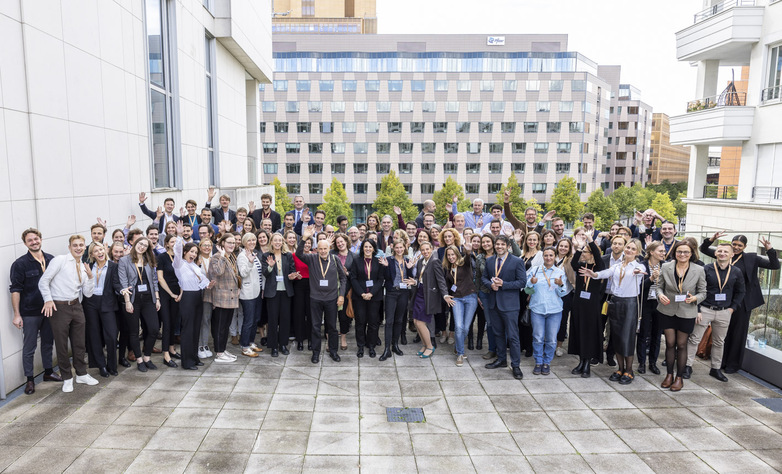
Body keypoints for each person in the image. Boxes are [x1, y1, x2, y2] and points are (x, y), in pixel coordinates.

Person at [700, 232, 779, 373]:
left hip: (742, 302)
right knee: (722, 333)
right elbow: (703, 249)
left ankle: (732, 364)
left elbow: (774, 266)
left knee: (738, 333)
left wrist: (769, 250)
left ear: (745, 246)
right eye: (734, 244)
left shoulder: (751, 258)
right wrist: (712, 239)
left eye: (739, 246)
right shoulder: (725, 254)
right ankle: (720, 362)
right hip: (723, 301)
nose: (736, 247)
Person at [581, 237, 646, 385]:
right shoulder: (617, 266)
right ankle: (620, 368)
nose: (629, 250)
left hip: (629, 304)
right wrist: (593, 274)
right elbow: (605, 273)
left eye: (633, 249)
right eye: (628, 248)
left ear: (637, 252)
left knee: (627, 338)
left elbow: (641, 271)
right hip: (615, 301)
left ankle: (629, 370)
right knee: (616, 337)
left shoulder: (639, 266)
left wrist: (638, 271)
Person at [38, 235, 99, 392]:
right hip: (59, 307)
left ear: (85, 247)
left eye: (81, 245)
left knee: (79, 343)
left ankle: (81, 374)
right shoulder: (60, 260)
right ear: (69, 247)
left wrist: (91, 277)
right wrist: (48, 300)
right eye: (75, 245)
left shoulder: (83, 267)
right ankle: (66, 377)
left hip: (76, 306)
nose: (78, 248)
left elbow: (88, 294)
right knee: (62, 345)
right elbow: (43, 281)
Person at [10, 228, 62, 394]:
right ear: (25, 243)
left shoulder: (51, 259)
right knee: (29, 347)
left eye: (36, 239)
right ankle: (30, 380)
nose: (34, 242)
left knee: (48, 342)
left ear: (41, 239)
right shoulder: (20, 264)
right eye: (30, 240)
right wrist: (17, 314)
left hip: (49, 310)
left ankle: (48, 372)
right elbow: (15, 290)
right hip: (30, 312)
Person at [685, 242, 746, 382]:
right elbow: (696, 290)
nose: (722, 253)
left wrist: (732, 308)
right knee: (694, 339)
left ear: (732, 254)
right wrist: (698, 309)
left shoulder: (736, 272)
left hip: (724, 311)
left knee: (719, 342)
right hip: (705, 309)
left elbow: (741, 291)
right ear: (715, 253)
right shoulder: (705, 269)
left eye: (725, 251)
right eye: (720, 251)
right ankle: (687, 366)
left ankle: (715, 368)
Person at [656, 240, 707, 391]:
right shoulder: (666, 266)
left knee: (682, 345)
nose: (682, 254)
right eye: (679, 251)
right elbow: (659, 287)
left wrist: (695, 298)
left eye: (686, 252)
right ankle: (669, 375)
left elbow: (703, 292)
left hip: (687, 311)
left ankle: (679, 377)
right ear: (675, 253)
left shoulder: (699, 269)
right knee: (670, 344)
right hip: (667, 309)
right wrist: (660, 295)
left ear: (691, 254)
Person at [297, 225, 347, 363]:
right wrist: (305, 237)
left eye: (325, 248)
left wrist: (341, 295)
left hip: (332, 299)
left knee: (332, 327)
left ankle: (334, 351)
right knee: (315, 327)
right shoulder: (312, 259)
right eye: (321, 249)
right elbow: (299, 253)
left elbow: (343, 278)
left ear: (329, 248)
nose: (323, 251)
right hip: (315, 299)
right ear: (317, 249)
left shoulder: (335, 259)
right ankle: (315, 353)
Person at [482, 235, 527, 380]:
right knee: (498, 333)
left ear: (508, 246)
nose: (499, 246)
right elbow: (483, 278)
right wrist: (490, 285)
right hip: (494, 303)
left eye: (502, 244)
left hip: (510, 306)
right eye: (497, 244)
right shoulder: (489, 261)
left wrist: (504, 284)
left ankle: (515, 365)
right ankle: (501, 360)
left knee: (513, 336)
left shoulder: (517, 261)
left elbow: (522, 282)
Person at [118, 236, 161, 372]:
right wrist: (127, 302)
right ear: (135, 243)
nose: (142, 247)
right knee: (134, 331)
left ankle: (147, 357)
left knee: (154, 329)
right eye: (140, 244)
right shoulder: (124, 260)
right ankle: (139, 359)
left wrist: (157, 299)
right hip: (133, 299)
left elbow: (154, 281)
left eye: (145, 246)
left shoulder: (149, 260)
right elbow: (123, 282)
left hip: (148, 299)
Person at [526, 247, 569, 375]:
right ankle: (538, 361)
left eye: (551, 255)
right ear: (543, 256)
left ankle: (547, 362)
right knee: (538, 337)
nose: (548, 258)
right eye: (546, 255)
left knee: (551, 339)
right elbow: (527, 291)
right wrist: (531, 283)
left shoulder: (559, 272)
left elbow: (562, 294)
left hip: (554, 310)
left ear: (554, 256)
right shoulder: (535, 270)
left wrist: (561, 285)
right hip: (537, 309)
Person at [568, 235, 605, 378]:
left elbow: (597, 255)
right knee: (579, 332)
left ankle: (587, 364)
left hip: (592, 306)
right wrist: (578, 248)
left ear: (591, 254)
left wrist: (590, 240)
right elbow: (573, 263)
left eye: (585, 252)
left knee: (589, 334)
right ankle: (581, 361)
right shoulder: (581, 266)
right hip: (579, 304)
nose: (583, 254)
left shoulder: (599, 267)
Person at [173, 233, 211, 370]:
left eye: (196, 252)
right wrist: (178, 236)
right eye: (192, 252)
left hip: (197, 297)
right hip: (187, 298)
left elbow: (202, 280)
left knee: (196, 328)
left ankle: (194, 358)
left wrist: (208, 284)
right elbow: (177, 251)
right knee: (188, 330)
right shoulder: (178, 264)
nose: (194, 254)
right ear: (185, 252)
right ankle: (187, 361)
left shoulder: (195, 266)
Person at [82, 243, 120, 377]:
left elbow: (116, 283)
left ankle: (111, 365)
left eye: (101, 249)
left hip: (107, 302)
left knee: (111, 335)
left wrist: (122, 290)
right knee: (94, 335)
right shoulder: (88, 267)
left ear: (105, 251)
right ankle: (101, 365)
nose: (99, 252)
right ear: (92, 255)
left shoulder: (113, 266)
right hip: (91, 303)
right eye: (96, 251)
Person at [412, 241, 453, 358]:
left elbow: (441, 280)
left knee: (421, 323)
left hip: (428, 296)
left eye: (427, 249)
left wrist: (445, 295)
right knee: (416, 321)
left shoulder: (435, 262)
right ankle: (424, 345)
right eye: (423, 250)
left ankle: (430, 346)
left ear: (431, 249)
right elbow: (421, 279)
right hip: (419, 293)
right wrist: (414, 282)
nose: (425, 252)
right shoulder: (420, 262)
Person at [443, 245, 478, 367]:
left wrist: (468, 250)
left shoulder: (465, 263)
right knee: (458, 326)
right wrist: (446, 295)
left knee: (466, 328)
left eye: (453, 254)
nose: (451, 257)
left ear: (457, 254)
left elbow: (468, 256)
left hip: (470, 297)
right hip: (456, 298)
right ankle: (460, 353)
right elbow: (448, 285)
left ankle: (458, 346)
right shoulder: (448, 268)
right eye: (449, 255)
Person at [208, 233, 241, 363]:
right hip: (221, 297)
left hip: (231, 297)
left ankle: (222, 349)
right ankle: (219, 353)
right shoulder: (217, 257)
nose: (232, 245)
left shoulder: (232, 256)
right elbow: (218, 272)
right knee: (220, 327)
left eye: (233, 243)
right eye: (229, 242)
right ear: (222, 244)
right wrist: (221, 255)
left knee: (226, 326)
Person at [261, 233, 295, 356]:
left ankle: (283, 344)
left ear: (283, 242)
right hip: (272, 293)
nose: (277, 242)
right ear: (271, 242)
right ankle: (273, 346)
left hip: (286, 292)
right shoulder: (266, 255)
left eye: (280, 240)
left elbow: (292, 271)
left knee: (285, 320)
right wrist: (270, 267)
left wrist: (292, 276)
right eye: (275, 240)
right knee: (273, 320)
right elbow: (265, 273)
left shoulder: (288, 256)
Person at [350, 239, 386, 358]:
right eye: (365, 247)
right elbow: (353, 278)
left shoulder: (378, 261)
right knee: (360, 322)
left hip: (374, 297)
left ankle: (371, 346)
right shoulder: (356, 261)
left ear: (374, 249)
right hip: (359, 297)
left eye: (370, 247)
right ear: (362, 248)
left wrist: (371, 293)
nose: (368, 249)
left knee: (373, 322)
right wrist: (361, 293)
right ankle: (360, 346)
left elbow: (381, 279)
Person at [381, 239, 415, 361]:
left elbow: (410, 278)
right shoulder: (388, 260)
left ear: (404, 248)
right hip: (392, 292)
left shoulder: (407, 260)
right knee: (389, 321)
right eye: (397, 248)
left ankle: (395, 345)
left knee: (399, 320)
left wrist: (410, 269)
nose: (399, 250)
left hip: (404, 292)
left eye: (401, 248)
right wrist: (385, 267)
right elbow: (386, 277)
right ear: (393, 248)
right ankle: (387, 349)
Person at [636, 241, 665, 376]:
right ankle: (641, 363)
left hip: (660, 304)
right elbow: (639, 287)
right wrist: (651, 278)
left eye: (664, 251)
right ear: (651, 252)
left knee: (657, 335)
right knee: (643, 334)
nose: (663, 253)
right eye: (660, 251)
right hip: (645, 303)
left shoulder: (665, 266)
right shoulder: (642, 265)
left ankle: (653, 363)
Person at [156, 234, 182, 368]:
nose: (174, 244)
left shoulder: (180, 257)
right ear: (166, 244)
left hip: (178, 294)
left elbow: (183, 276)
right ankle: (165, 355)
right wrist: (171, 293)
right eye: (172, 241)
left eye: (177, 242)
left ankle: (172, 349)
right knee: (166, 323)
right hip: (166, 293)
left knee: (173, 322)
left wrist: (180, 293)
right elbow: (160, 278)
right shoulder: (162, 257)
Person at [238, 233, 265, 357]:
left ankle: (251, 342)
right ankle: (244, 346)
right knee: (248, 321)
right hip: (247, 293)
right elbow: (243, 273)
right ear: (244, 242)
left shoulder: (255, 254)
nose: (252, 242)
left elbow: (259, 274)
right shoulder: (242, 256)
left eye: (254, 239)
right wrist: (249, 262)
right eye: (249, 240)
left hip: (257, 292)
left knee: (255, 319)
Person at [289, 231, 312, 351]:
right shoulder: (295, 255)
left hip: (311, 286)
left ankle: (310, 339)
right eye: (305, 243)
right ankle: (300, 340)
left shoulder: (314, 255)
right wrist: (294, 274)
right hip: (298, 285)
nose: (307, 245)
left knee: (310, 313)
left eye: (309, 243)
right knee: (299, 313)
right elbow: (292, 269)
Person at [554, 238, 575, 357]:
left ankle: (559, 346)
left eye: (566, 246)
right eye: (561, 246)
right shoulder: (551, 257)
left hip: (565, 295)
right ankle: (549, 343)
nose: (563, 248)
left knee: (562, 321)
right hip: (550, 294)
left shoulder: (570, 260)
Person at [197, 238, 215, 359]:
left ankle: (205, 344)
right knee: (202, 319)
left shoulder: (213, 259)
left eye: (209, 245)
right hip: (201, 292)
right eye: (204, 245)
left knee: (207, 319)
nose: (207, 248)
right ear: (200, 247)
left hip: (213, 292)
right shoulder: (197, 260)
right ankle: (200, 345)